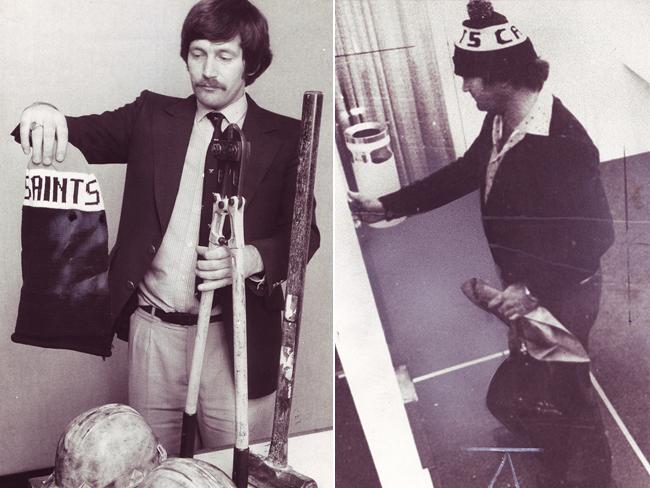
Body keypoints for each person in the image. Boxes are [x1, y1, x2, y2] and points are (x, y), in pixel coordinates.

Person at [15, 0, 319, 454]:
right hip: (153, 332)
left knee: (233, 467)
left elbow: (305, 234)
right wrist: (40, 113)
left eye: (224, 55)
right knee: (149, 464)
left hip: (233, 337)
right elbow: (72, 130)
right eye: (198, 53)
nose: (208, 70)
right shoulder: (151, 117)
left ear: (250, 64)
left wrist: (250, 258)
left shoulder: (288, 137)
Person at [349, 1, 614, 486]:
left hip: (564, 296)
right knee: (538, 391)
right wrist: (388, 204)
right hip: (529, 291)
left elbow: (597, 233)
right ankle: (556, 456)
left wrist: (532, 288)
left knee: (570, 399)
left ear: (504, 76)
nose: (466, 87)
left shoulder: (564, 144)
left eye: (472, 78)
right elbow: (469, 170)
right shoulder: (503, 120)